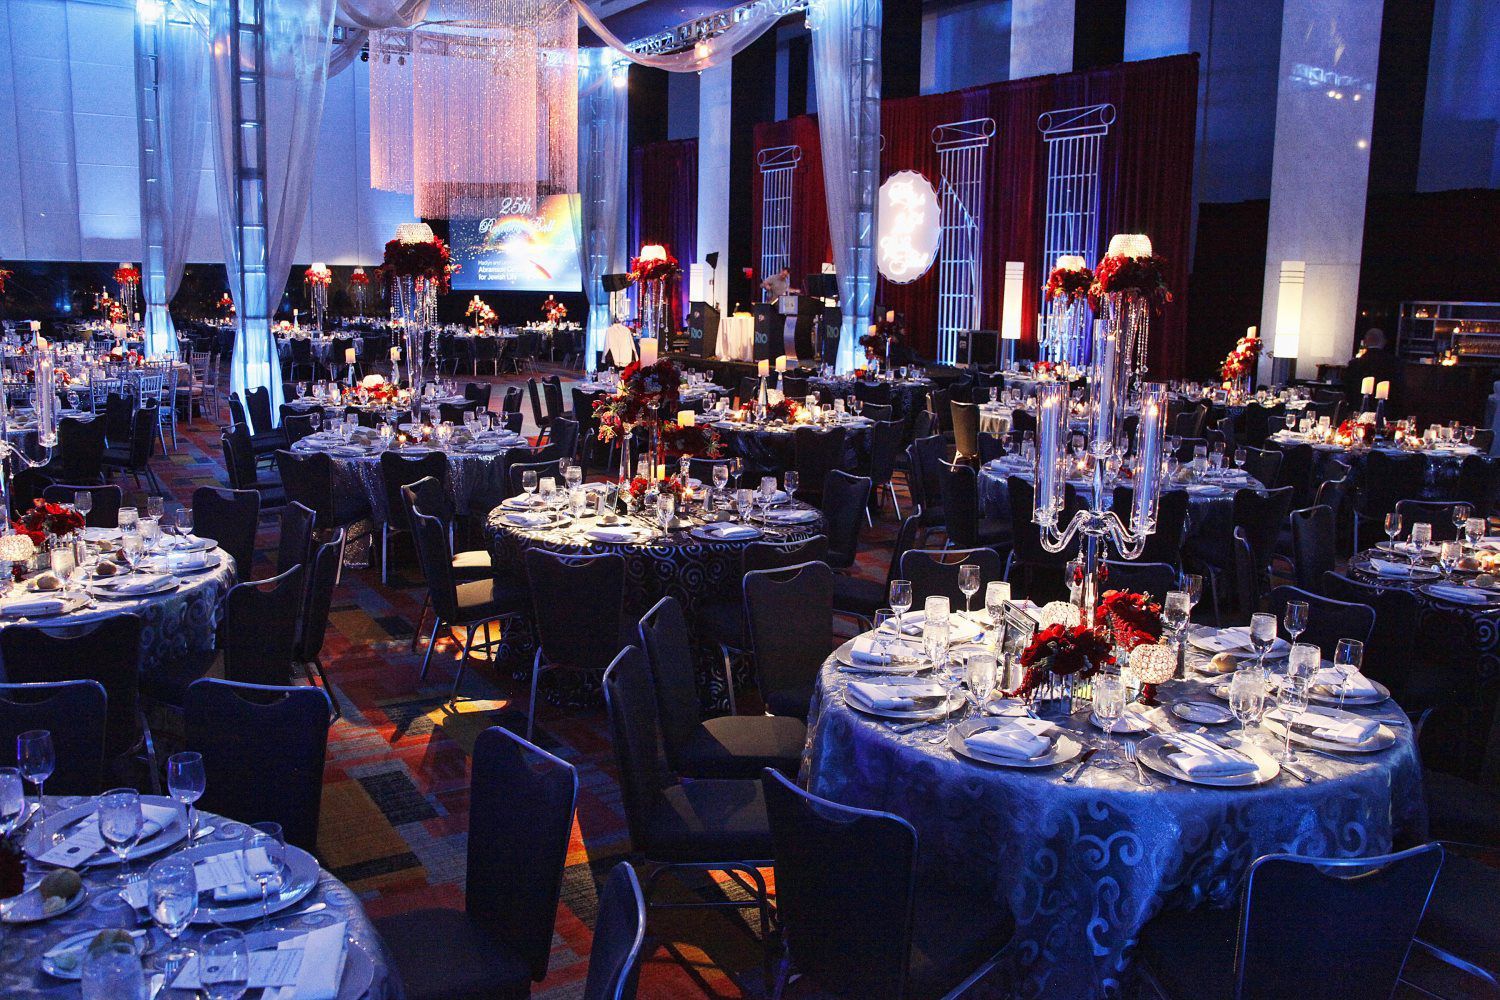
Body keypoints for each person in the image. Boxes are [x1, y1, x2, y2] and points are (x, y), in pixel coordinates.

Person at [1342, 327, 1399, 406]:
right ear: (1384, 342)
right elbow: (1398, 390)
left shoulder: (1355, 364)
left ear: (1365, 342)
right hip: (1386, 407)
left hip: (1359, 406)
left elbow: (1349, 390)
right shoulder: (1394, 363)